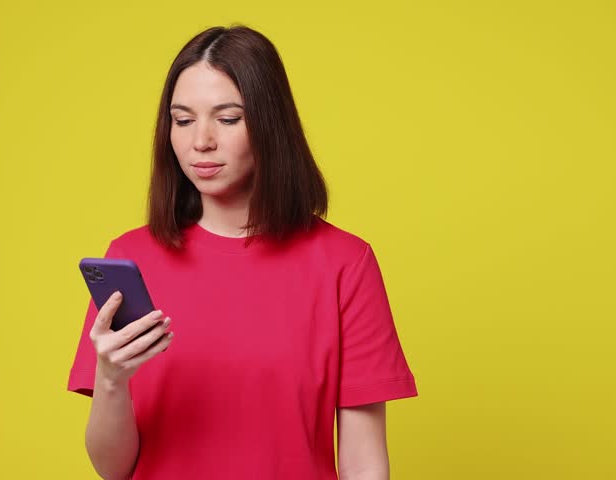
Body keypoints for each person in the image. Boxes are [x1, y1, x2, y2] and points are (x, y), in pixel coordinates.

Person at [67, 24, 418, 480]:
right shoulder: (132, 257)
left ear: (271, 124)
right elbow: (112, 469)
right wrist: (111, 379)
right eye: (183, 119)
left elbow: (364, 462)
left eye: (228, 118)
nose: (201, 141)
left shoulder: (344, 263)